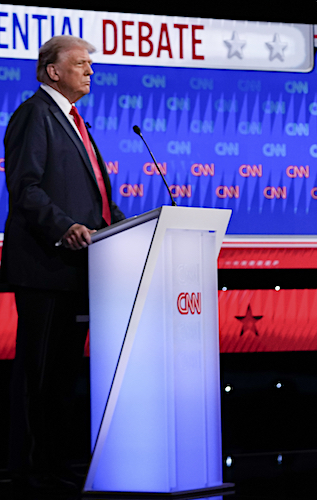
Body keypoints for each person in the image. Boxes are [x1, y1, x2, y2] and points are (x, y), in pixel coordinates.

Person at [1, 35, 125, 491]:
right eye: (80, 64)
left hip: (80, 268)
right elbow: (25, 187)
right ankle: (31, 469)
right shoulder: (35, 115)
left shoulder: (76, 121)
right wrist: (63, 227)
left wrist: (130, 225)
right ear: (53, 71)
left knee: (62, 375)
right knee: (40, 371)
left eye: (90, 65)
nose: (90, 71)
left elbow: (96, 197)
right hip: (45, 266)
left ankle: (52, 463)